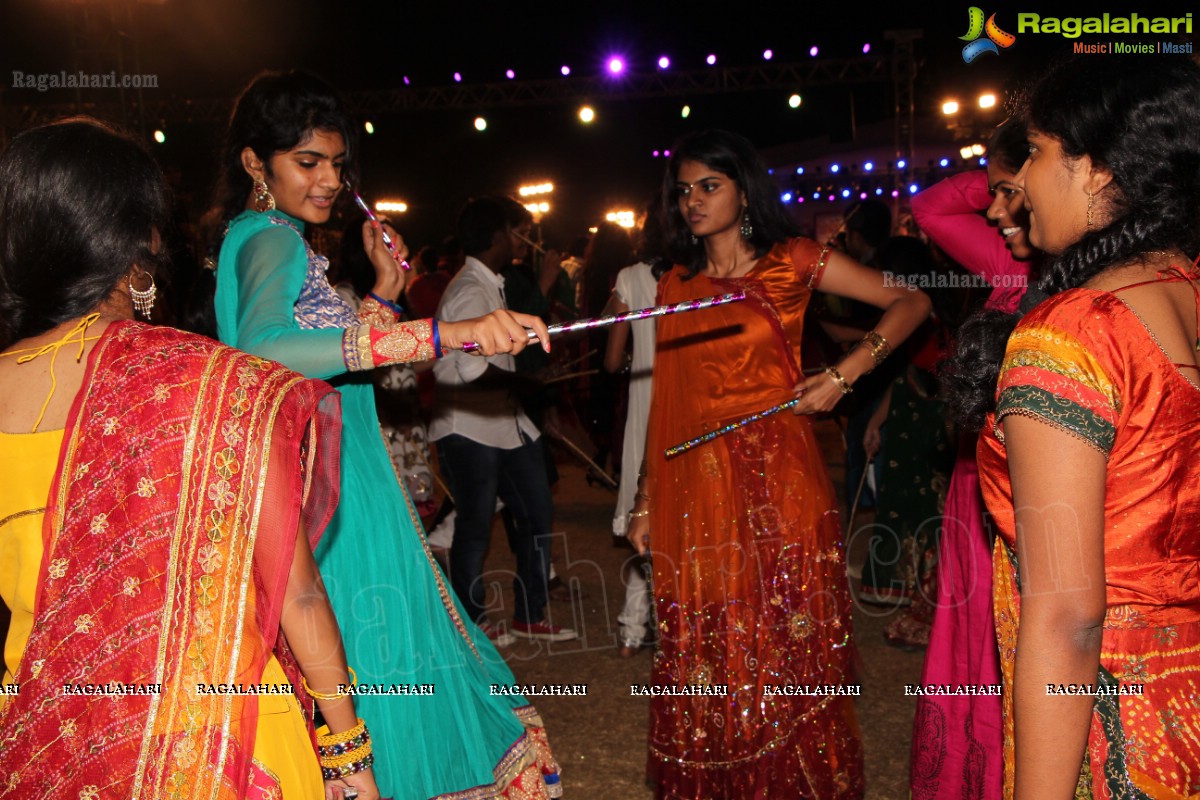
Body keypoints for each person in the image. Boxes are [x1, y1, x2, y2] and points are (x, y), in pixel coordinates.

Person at [0, 118, 378, 799]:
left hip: (52, 741)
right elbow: (295, 592)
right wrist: (349, 754)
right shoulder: (212, 385)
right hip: (224, 742)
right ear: (142, 241)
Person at [208, 71, 561, 799]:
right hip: (329, 501)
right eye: (308, 162)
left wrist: (382, 295)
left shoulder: (282, 243)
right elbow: (265, 351)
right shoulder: (269, 237)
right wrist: (442, 332)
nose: (331, 180)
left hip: (348, 484)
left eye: (338, 164)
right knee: (375, 658)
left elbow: (325, 368)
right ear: (255, 163)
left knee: (380, 656)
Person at [627, 129, 931, 798]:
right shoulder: (675, 285)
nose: (694, 201)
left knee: (785, 625)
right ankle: (730, 773)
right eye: (684, 190)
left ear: (743, 190)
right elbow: (667, 397)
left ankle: (792, 778)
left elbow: (913, 302)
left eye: (710, 186)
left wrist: (846, 375)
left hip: (780, 470)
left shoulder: (792, 261)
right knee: (715, 631)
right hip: (697, 481)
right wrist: (647, 498)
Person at [951, 57, 1200, 797]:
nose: (1019, 181)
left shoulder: (1075, 336)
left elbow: (1069, 618)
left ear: (1092, 169)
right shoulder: (1184, 290)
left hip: (1119, 726)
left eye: (1034, 151)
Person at [908, 117, 1035, 800]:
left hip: (1044, 499)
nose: (993, 210)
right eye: (992, 195)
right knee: (978, 632)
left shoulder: (1091, 276)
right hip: (976, 485)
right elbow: (933, 206)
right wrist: (1004, 167)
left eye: (1010, 193)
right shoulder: (1009, 263)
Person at [431, 196, 577, 644]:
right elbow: (473, 371)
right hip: (468, 426)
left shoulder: (487, 282)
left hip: (502, 423)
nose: (521, 240)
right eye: (517, 231)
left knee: (535, 511)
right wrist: (530, 384)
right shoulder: (472, 290)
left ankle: (529, 615)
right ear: (499, 237)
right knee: (475, 527)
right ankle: (470, 624)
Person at [604, 203, 668, 658]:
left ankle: (631, 630)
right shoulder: (697, 276)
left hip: (645, 406)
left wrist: (635, 357)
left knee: (640, 518)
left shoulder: (629, 277)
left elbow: (610, 360)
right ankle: (679, 633)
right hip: (686, 406)